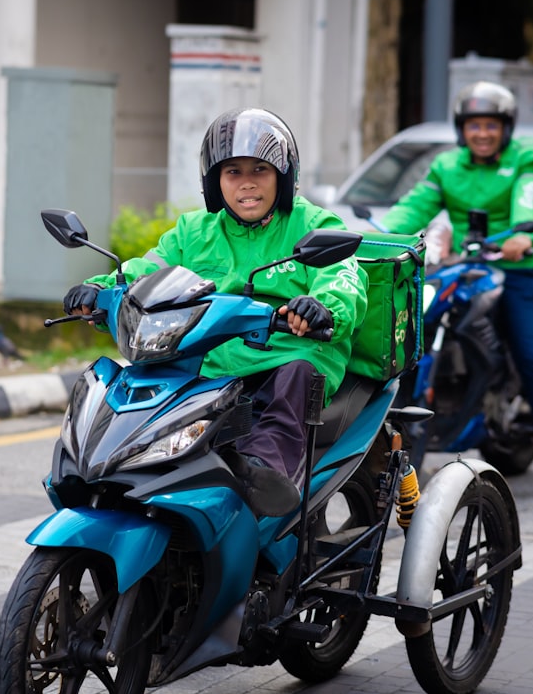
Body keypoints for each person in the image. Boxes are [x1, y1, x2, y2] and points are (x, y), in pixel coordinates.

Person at [62, 107, 367, 516]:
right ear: (214, 181)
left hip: (288, 354)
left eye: (260, 170)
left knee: (294, 377)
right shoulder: (193, 231)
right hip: (212, 359)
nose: (247, 183)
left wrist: (321, 308)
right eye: (233, 172)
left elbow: (342, 277)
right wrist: (100, 291)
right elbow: (144, 271)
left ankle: (265, 472)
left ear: (283, 177)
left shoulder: (311, 223)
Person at [380, 81, 533, 498]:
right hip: (469, 267)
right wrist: (377, 237)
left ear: (506, 127)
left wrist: (521, 236)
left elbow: (529, 198)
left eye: (492, 125)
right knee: (417, 329)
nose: (483, 133)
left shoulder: (527, 159)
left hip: (522, 267)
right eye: (474, 125)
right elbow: (414, 207)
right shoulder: (447, 166)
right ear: (462, 129)